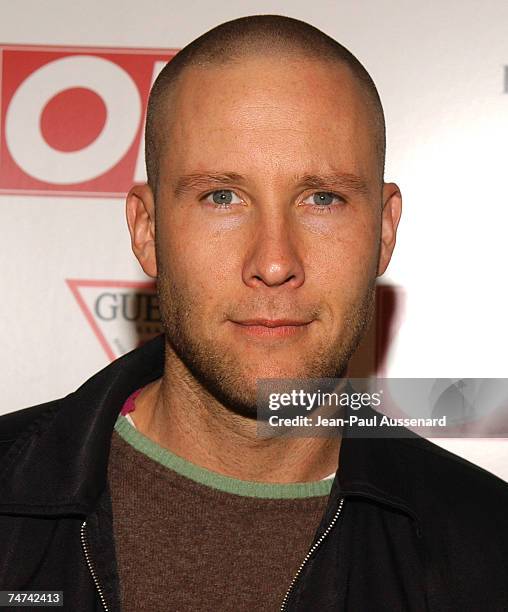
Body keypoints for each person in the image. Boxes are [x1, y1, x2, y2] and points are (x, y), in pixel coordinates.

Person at [1, 14, 507, 612]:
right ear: (147, 228)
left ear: (384, 229)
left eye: (323, 198)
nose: (273, 262)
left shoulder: (489, 552)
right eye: (222, 197)